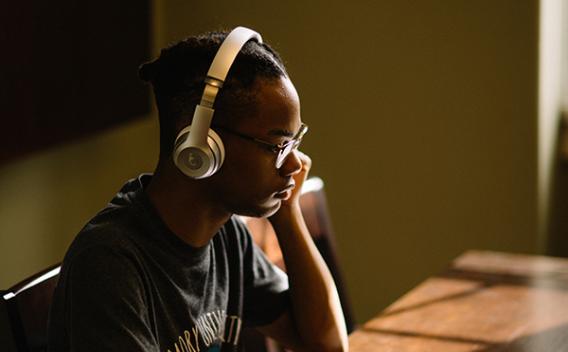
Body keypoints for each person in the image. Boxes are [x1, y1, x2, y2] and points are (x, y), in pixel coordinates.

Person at [47, 27, 348, 352]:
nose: (294, 165)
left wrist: (287, 214)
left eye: (294, 144)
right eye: (277, 146)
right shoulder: (110, 263)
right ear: (200, 147)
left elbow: (327, 344)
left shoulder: (228, 236)